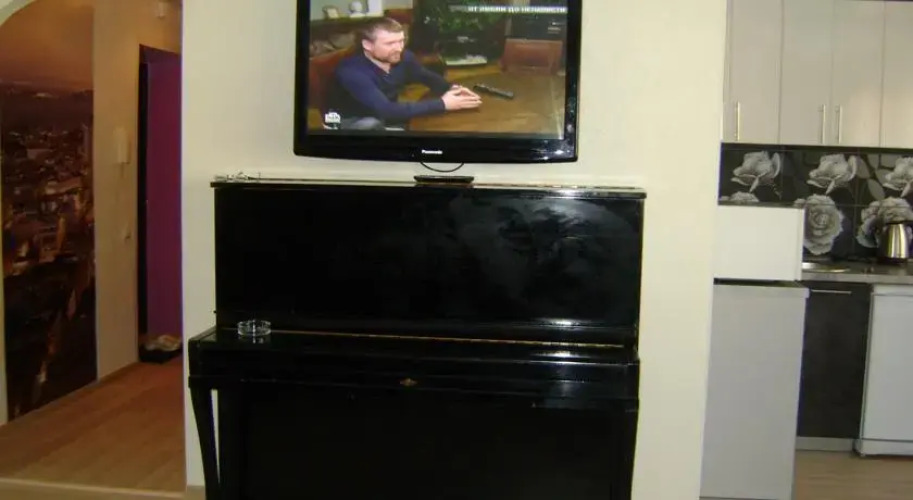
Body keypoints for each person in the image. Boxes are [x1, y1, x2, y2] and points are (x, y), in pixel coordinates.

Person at [324, 17, 482, 130]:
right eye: (390, 43)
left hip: (386, 114)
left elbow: (426, 77)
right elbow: (386, 110)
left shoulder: (404, 57)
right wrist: (443, 104)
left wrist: (453, 89)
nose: (399, 48)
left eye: (401, 41)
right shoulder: (351, 72)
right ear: (367, 45)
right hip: (351, 120)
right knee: (372, 125)